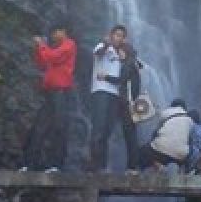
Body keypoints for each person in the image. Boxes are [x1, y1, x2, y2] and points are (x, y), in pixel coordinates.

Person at [20, 23, 77, 172]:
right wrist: (38, 48)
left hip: (61, 92)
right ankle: (29, 163)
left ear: (63, 31)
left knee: (59, 127)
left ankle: (56, 164)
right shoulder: (54, 48)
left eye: (54, 32)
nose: (52, 36)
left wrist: (42, 45)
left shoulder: (69, 44)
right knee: (40, 127)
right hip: (50, 92)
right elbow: (42, 63)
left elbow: (52, 58)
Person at [89, 24, 141, 173]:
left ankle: (103, 166)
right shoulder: (102, 47)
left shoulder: (123, 54)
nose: (118, 38)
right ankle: (95, 165)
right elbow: (98, 53)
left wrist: (124, 59)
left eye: (121, 36)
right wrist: (106, 44)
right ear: (111, 35)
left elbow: (125, 77)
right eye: (116, 35)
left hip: (116, 95)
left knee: (107, 131)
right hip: (100, 91)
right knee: (98, 129)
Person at [140, 99, 194, 170]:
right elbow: (190, 141)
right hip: (180, 156)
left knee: (143, 152)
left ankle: (137, 173)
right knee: (186, 151)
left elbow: (155, 132)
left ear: (172, 106)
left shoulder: (165, 113)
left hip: (161, 151)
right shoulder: (190, 120)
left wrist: (152, 142)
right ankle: (185, 172)